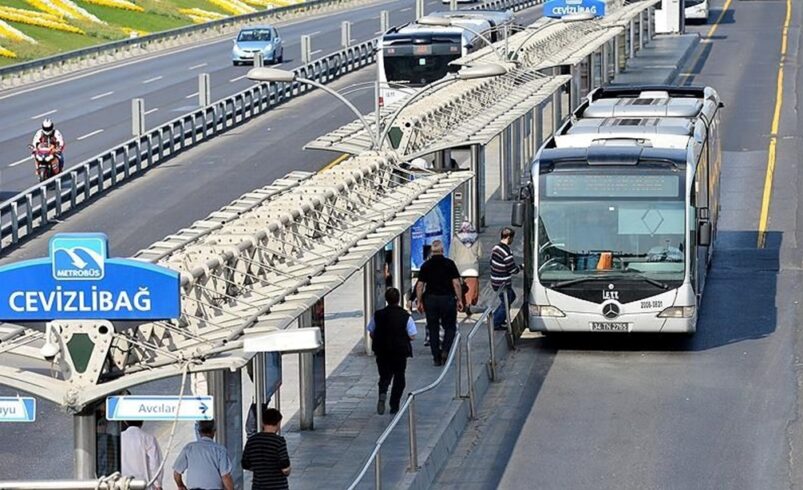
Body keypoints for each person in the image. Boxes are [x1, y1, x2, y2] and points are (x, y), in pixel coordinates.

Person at [367, 287, 417, 414]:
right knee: (399, 376)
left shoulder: (378, 315)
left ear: (386, 299)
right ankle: (394, 405)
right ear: (399, 299)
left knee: (384, 375)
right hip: (399, 351)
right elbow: (412, 335)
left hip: (382, 351)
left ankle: (383, 392)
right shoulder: (406, 316)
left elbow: (371, 331)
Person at [416, 240, 463, 366]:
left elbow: (420, 285)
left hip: (431, 300)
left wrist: (419, 301)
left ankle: (436, 356)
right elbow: (456, 283)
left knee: (433, 329)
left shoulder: (426, 265)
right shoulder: (449, 264)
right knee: (450, 327)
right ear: (443, 251)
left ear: (431, 251)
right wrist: (459, 299)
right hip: (447, 299)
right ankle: (446, 350)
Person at [173, 420, 234, 490]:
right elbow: (225, 476)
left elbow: (177, 472)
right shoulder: (220, 450)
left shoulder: (189, 448)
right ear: (214, 431)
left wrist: (180, 485)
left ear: (198, 432)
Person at [242, 407, 291, 490]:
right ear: (278, 423)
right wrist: (287, 471)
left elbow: (245, 464)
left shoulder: (252, 441)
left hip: (258, 486)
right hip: (278, 486)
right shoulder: (279, 442)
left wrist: (260, 469)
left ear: (263, 423)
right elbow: (285, 467)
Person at [450, 220, 482, 317]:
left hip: (458, 268)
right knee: (471, 288)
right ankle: (469, 304)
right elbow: (480, 254)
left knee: (459, 286)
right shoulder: (476, 238)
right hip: (472, 268)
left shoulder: (455, 239)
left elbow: (451, 255)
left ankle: (461, 304)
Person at [491, 227, 520, 330]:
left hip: (495, 280)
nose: (512, 240)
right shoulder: (506, 252)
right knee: (507, 301)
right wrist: (521, 267)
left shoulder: (496, 248)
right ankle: (496, 321)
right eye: (512, 238)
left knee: (511, 297)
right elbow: (512, 269)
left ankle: (499, 318)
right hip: (503, 282)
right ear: (508, 237)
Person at [121, 420, 163, 490]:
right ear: (142, 421)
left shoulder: (119, 438)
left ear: (125, 422)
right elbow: (155, 464)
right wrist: (157, 484)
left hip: (123, 484)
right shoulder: (149, 438)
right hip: (144, 485)